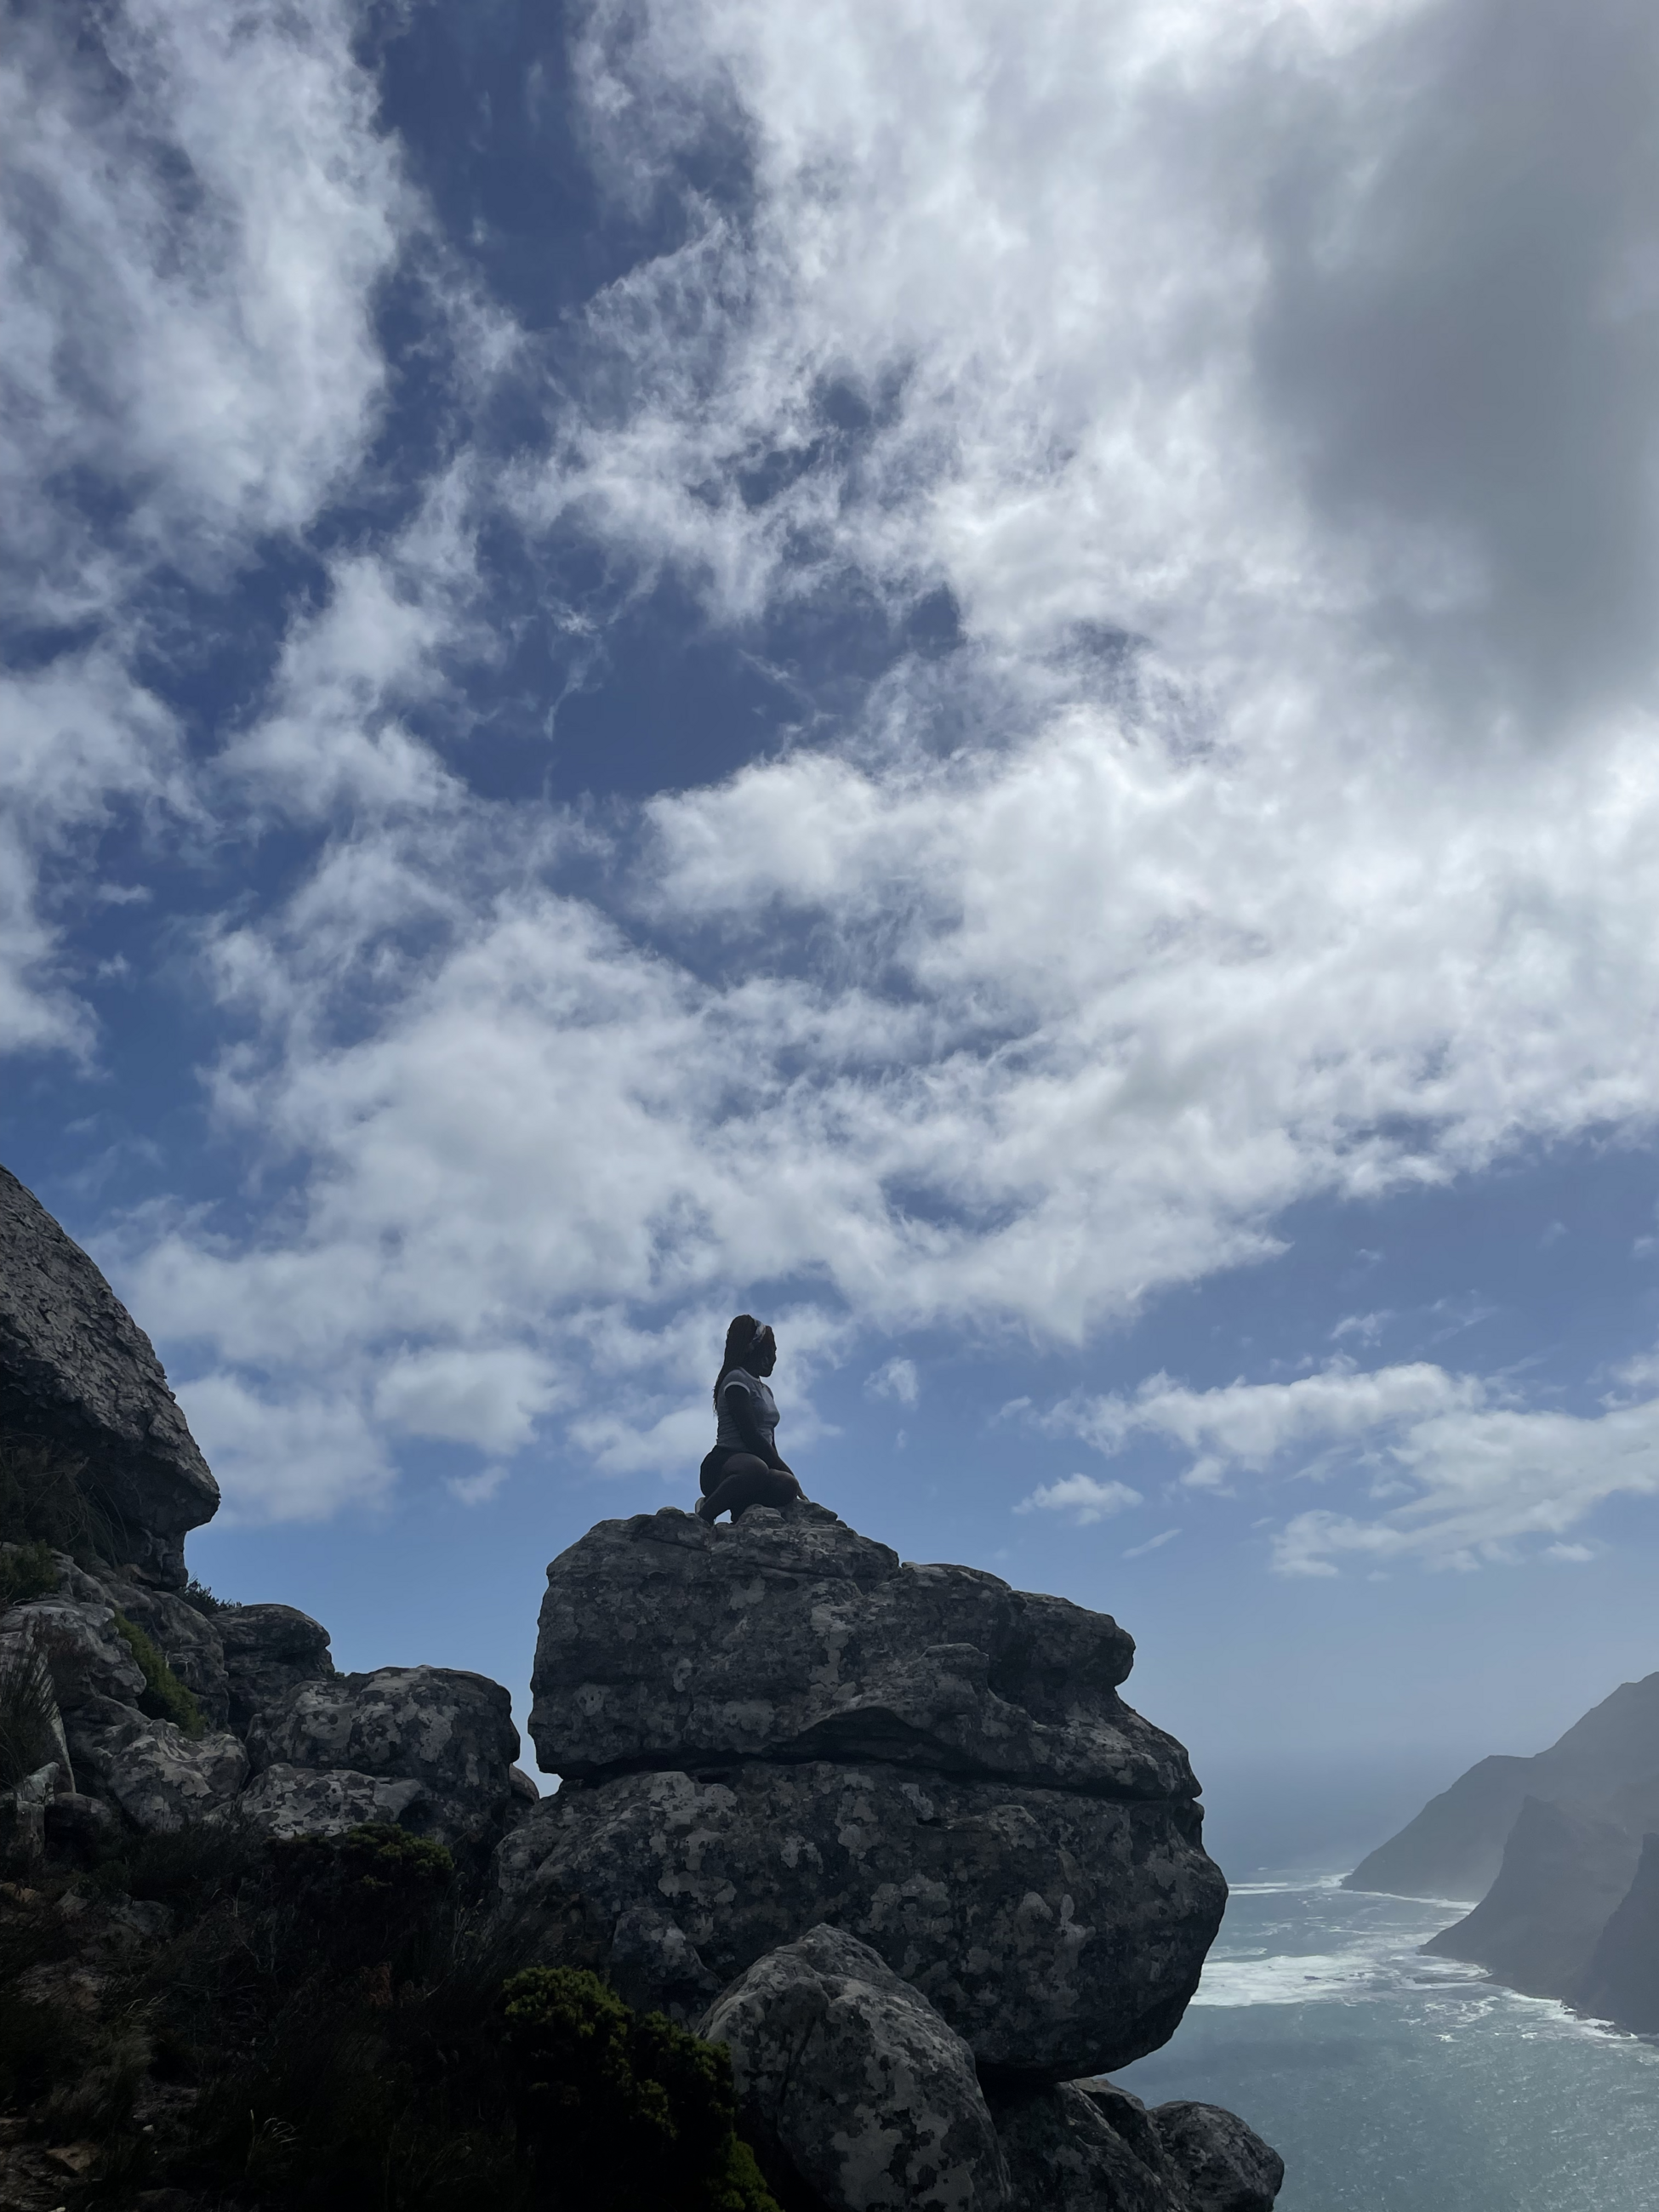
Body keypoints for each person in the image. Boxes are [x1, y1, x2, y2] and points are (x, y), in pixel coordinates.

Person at [697, 1314, 807, 1523]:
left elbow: (769, 1442)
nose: (772, 1359)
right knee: (755, 1468)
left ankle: (741, 1515)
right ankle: (704, 1516)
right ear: (753, 1351)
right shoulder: (736, 1380)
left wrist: (787, 1475)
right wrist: (784, 1467)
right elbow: (751, 1436)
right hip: (725, 1463)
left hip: (757, 1466)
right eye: (769, 1352)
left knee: (786, 1485)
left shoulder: (766, 1390)